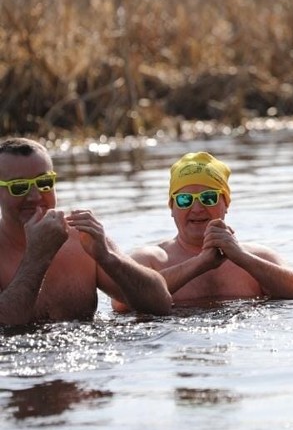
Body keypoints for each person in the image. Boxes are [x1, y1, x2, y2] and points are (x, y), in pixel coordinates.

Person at [0, 138, 172, 325]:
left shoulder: (81, 238)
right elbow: (6, 327)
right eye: (18, 186)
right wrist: (38, 257)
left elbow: (161, 304)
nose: (35, 196)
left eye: (44, 182)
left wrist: (109, 258)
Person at [112, 152, 293, 311]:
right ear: (172, 207)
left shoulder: (257, 257)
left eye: (208, 198)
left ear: (226, 203)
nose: (197, 208)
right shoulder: (150, 260)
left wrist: (242, 258)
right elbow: (120, 303)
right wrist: (199, 263)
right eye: (185, 200)